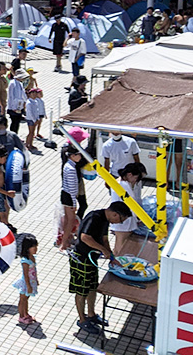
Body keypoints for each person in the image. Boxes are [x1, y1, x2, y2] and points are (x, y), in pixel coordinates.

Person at [70, 202, 131, 334]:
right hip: (81, 258)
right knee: (82, 291)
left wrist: (112, 257)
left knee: (92, 287)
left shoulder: (105, 220)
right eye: (120, 220)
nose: (118, 223)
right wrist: (103, 250)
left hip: (92, 259)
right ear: (115, 214)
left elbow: (104, 239)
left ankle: (91, 314)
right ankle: (82, 320)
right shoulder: (94, 217)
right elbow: (85, 237)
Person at [110, 162, 145, 250]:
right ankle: (116, 262)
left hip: (123, 219)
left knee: (121, 244)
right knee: (120, 246)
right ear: (129, 175)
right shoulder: (122, 185)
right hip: (122, 219)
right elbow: (130, 204)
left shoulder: (121, 183)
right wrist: (138, 217)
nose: (135, 181)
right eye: (136, 178)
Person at [60, 142, 86, 252]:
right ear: (72, 156)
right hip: (69, 197)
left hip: (65, 195)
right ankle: (64, 244)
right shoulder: (70, 169)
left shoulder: (68, 165)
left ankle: (65, 240)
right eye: (78, 154)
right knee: (70, 221)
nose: (80, 157)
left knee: (67, 220)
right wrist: (74, 203)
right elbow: (72, 189)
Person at [13, 234, 40, 326]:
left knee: (26, 299)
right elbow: (26, 275)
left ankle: (26, 314)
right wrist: (28, 286)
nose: (35, 249)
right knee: (23, 300)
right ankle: (21, 316)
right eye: (33, 247)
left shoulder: (32, 257)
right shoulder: (25, 261)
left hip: (31, 282)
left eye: (36, 246)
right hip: (26, 283)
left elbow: (34, 272)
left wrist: (36, 280)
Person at [6, 68, 28, 135]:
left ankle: (15, 136)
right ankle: (11, 136)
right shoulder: (12, 83)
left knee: (17, 122)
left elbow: (23, 95)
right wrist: (13, 108)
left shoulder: (20, 84)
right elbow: (11, 96)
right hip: (14, 107)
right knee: (14, 123)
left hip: (19, 106)